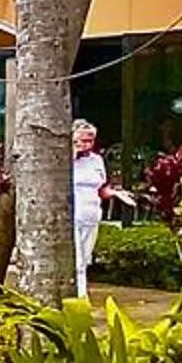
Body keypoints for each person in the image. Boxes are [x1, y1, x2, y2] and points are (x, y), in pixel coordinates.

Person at [71, 118, 108, 297]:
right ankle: (80, 295)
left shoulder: (97, 160)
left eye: (90, 140)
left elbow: (101, 187)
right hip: (74, 212)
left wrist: (116, 194)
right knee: (77, 259)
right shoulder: (67, 160)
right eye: (82, 140)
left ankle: (81, 291)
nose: (86, 144)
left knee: (85, 258)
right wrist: (74, 153)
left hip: (92, 212)